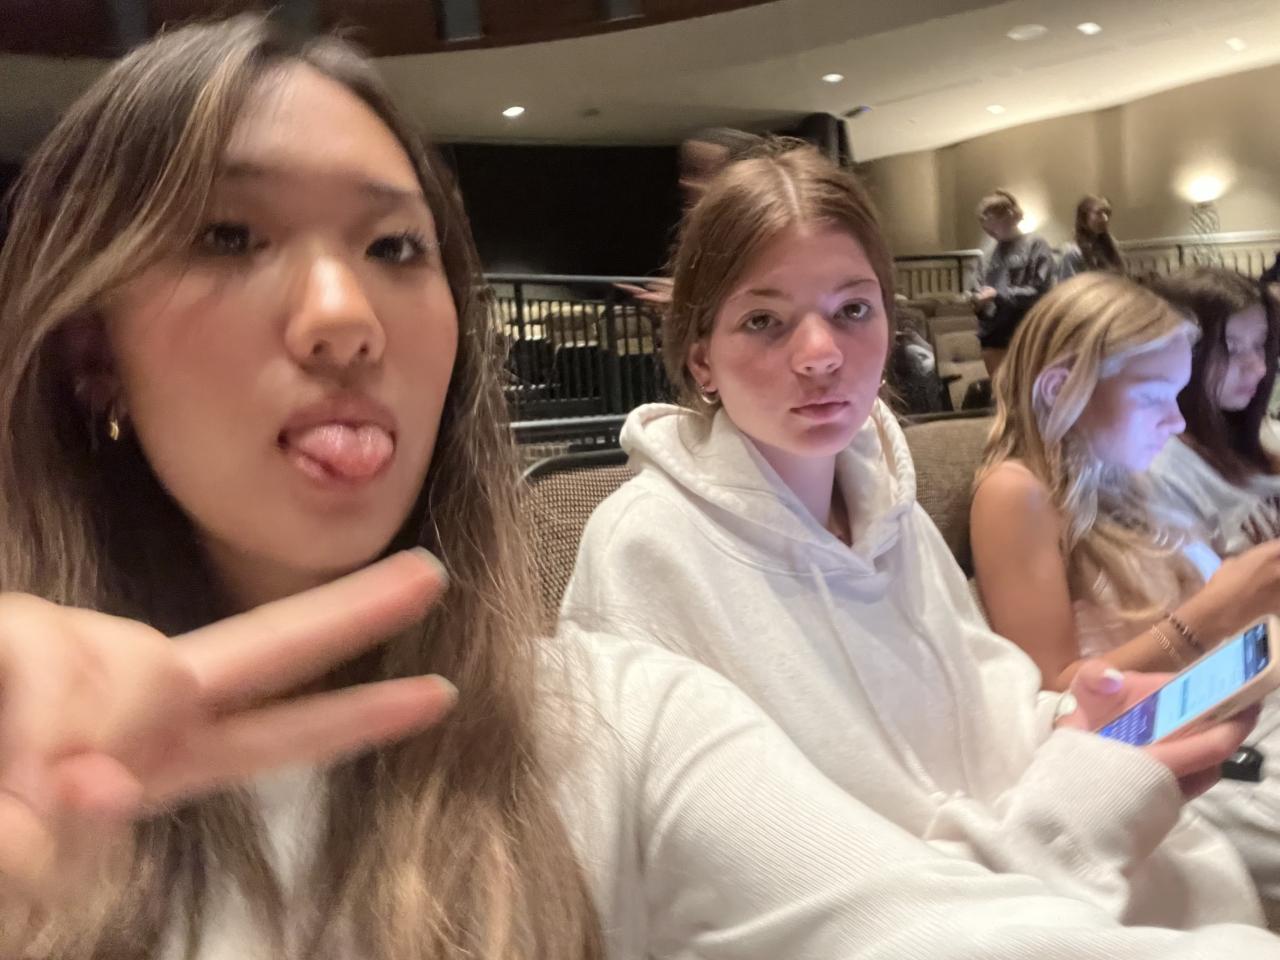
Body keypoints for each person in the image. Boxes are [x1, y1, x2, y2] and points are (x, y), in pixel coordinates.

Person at [10, 15, 1276, 960]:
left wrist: (1086, 756)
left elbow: (924, 917)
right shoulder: (650, 549)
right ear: (88, 349)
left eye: (395, 246)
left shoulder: (609, 724)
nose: (345, 315)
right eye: (230, 237)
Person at [562, 144, 1266, 931]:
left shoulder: (889, 511)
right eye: (764, 321)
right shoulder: (645, 548)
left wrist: (1073, 724)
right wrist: (1062, 818)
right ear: (701, 359)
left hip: (1021, 873)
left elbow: (991, 703)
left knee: (1209, 885)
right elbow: (720, 885)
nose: (821, 355)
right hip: (899, 926)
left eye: (852, 311)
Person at [970, 272, 1280, 913]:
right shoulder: (1017, 492)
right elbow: (1053, 696)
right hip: (1167, 759)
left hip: (1232, 711)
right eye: (1154, 396)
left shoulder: (1121, 472)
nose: (1176, 418)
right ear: (1060, 389)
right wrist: (1217, 609)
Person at [1146, 268, 1280, 556]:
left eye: (1260, 344)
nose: (1259, 368)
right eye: (1231, 349)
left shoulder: (1250, 431)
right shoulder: (1163, 470)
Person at [968, 189, 1055, 376]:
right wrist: (978, 301)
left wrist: (998, 294)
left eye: (991, 224)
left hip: (1027, 334)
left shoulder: (1035, 245)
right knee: (1001, 391)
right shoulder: (987, 254)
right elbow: (975, 290)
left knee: (1029, 390)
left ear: (1009, 216)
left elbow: (1042, 291)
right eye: (985, 227)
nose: (988, 231)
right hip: (993, 337)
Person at [1058, 195, 1126, 281]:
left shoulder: (1111, 245)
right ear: (1084, 218)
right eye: (1099, 213)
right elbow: (1068, 286)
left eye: (1107, 213)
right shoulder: (1073, 253)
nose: (1105, 218)